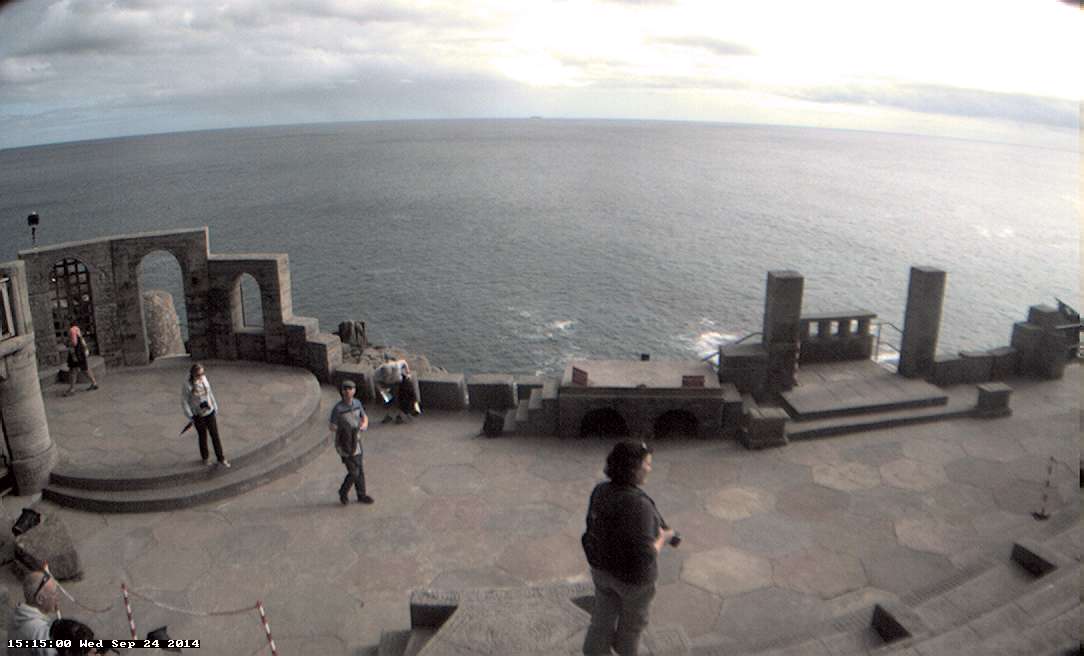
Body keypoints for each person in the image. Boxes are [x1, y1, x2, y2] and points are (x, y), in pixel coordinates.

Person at [581, 441, 675, 656]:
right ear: (634, 468)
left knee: (601, 620)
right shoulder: (639, 505)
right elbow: (646, 555)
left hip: (602, 569)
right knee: (631, 628)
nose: (649, 469)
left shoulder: (601, 490)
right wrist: (664, 537)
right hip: (633, 581)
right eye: (647, 464)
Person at [330, 379, 373, 505]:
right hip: (345, 444)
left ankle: (361, 494)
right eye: (345, 389)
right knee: (354, 472)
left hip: (357, 441)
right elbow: (332, 426)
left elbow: (364, 417)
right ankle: (343, 491)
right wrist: (344, 429)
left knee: (360, 469)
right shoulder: (338, 409)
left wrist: (364, 425)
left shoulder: (357, 404)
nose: (347, 391)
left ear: (354, 391)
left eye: (350, 388)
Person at [181, 363, 230, 468]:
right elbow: (184, 401)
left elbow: (209, 393)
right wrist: (190, 415)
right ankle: (205, 458)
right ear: (193, 374)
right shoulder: (187, 385)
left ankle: (221, 458)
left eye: (202, 373)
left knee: (215, 435)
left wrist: (214, 405)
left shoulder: (204, 379)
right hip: (198, 414)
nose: (201, 376)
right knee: (203, 436)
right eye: (198, 374)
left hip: (209, 411)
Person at [8, 569, 59, 656]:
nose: (57, 597)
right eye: (54, 593)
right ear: (40, 599)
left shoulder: (17, 615)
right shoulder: (39, 631)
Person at [64, 322, 98, 397]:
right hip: (81, 352)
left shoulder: (72, 330)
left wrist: (67, 343)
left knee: (73, 370)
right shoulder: (77, 329)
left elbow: (74, 343)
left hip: (75, 353)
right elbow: (82, 341)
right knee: (85, 368)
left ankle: (72, 389)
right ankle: (94, 383)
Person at [376, 354, 410, 424]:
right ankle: (390, 415)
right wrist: (381, 390)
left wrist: (408, 372)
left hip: (398, 384)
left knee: (399, 399)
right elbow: (376, 381)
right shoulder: (379, 371)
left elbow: (404, 362)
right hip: (387, 385)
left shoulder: (396, 364)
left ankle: (399, 416)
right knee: (388, 400)